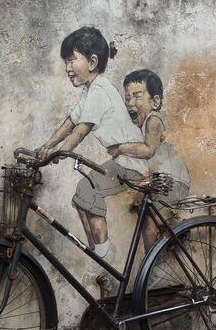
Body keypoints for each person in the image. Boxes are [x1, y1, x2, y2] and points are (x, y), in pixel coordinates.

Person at [37, 27, 148, 258]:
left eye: (71, 60)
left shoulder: (100, 91)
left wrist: (60, 153)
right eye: (65, 62)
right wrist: (46, 146)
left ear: (93, 61)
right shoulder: (90, 91)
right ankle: (96, 252)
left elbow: (80, 131)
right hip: (122, 162)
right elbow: (70, 122)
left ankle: (103, 253)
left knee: (88, 191)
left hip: (131, 164)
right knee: (82, 194)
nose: (67, 68)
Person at [107, 69, 191, 249]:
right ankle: (169, 232)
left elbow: (148, 150)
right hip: (161, 180)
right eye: (127, 97)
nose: (131, 102)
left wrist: (121, 148)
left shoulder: (154, 119)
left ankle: (155, 255)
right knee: (142, 208)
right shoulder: (142, 124)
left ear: (155, 101)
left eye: (137, 96)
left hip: (173, 181)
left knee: (145, 212)